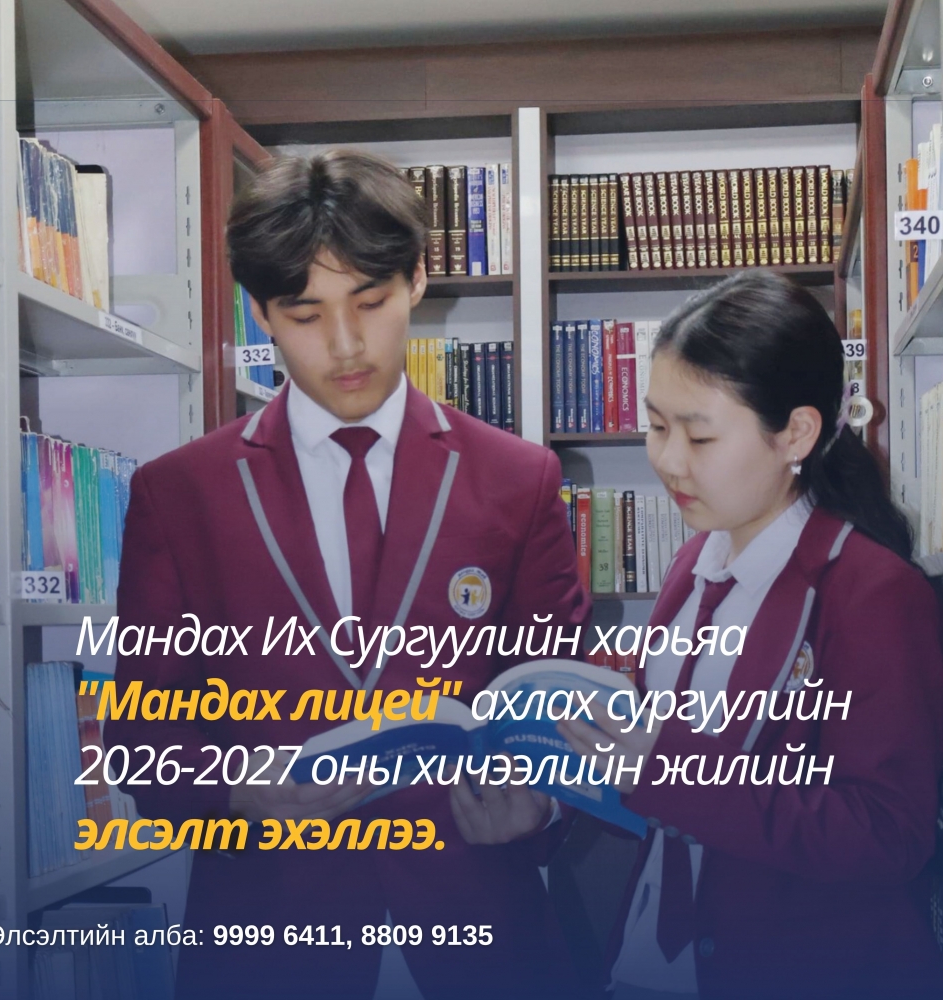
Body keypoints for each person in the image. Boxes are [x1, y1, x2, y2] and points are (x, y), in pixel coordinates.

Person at [104, 149, 590, 1000]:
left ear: (417, 280)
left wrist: (543, 805)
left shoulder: (519, 478)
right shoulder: (179, 493)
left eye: (370, 302)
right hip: (268, 941)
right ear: (261, 312)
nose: (345, 345)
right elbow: (143, 739)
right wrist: (236, 792)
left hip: (482, 934)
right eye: (304, 314)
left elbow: (565, 709)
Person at [560, 270, 943, 1000]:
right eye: (657, 426)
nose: (668, 461)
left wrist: (671, 773)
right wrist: (557, 794)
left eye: (700, 435)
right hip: (646, 962)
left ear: (795, 433)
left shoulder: (873, 594)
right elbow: (658, 789)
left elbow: (889, 834)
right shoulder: (692, 564)